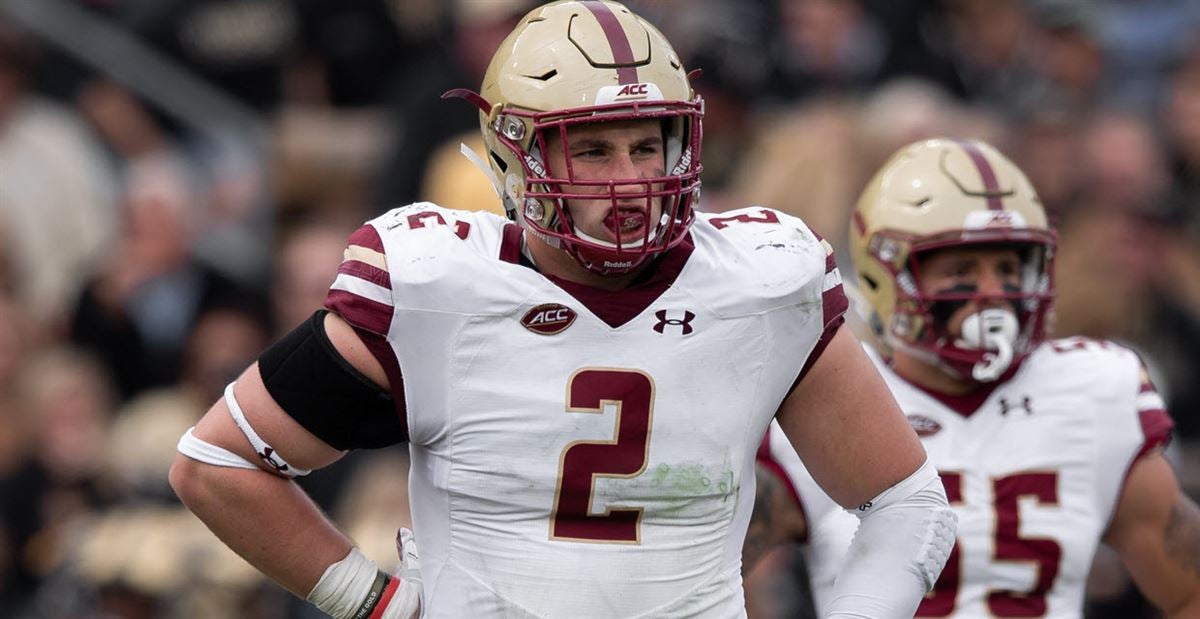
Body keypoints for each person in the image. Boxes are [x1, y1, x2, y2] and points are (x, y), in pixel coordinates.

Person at [168, 2, 956, 617]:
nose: (630, 179)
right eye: (593, 148)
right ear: (516, 154)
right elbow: (219, 465)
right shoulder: (435, 284)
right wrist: (379, 604)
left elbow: (907, 504)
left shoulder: (759, 282)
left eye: (648, 146)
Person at [750, 137, 1200, 617]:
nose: (993, 293)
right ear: (886, 279)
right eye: (962, 270)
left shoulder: (1090, 390)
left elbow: (1188, 588)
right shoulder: (827, 394)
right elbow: (710, 580)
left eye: (1008, 268)